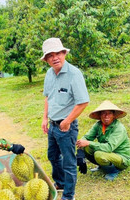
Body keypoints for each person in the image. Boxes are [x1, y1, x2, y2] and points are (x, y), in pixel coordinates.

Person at [41, 38, 89, 200]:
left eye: (58, 53)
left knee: (69, 162)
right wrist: (44, 118)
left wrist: (67, 121)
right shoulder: (49, 74)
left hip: (66, 127)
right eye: (50, 55)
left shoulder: (74, 74)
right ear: (46, 59)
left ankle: (69, 195)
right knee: (53, 156)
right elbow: (47, 97)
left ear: (64, 54)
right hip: (53, 125)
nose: (55, 58)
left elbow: (83, 102)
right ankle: (60, 182)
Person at [77, 100, 130, 181]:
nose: (106, 116)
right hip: (106, 152)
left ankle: (113, 170)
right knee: (86, 147)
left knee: (99, 155)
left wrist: (88, 143)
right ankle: (102, 165)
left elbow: (108, 148)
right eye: (103, 113)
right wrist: (80, 153)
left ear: (114, 115)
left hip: (121, 157)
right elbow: (86, 138)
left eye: (109, 113)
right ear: (100, 116)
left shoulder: (119, 128)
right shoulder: (98, 125)